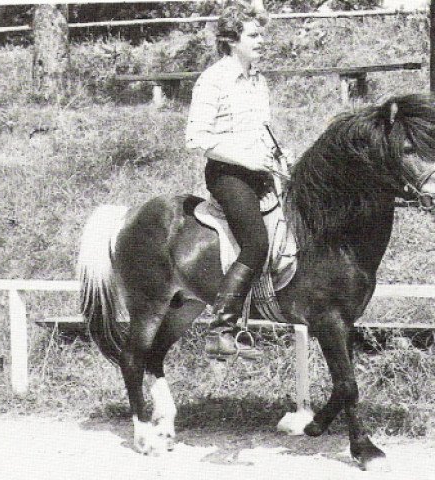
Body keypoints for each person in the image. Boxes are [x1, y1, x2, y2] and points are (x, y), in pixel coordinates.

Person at [185, 3, 287, 360]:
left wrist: (276, 155)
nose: (262, 41)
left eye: (262, 34)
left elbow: (260, 130)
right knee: (256, 243)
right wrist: (245, 158)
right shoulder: (214, 79)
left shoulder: (259, 79)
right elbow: (196, 138)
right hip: (228, 175)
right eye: (254, 35)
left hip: (261, 170)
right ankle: (222, 330)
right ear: (232, 40)